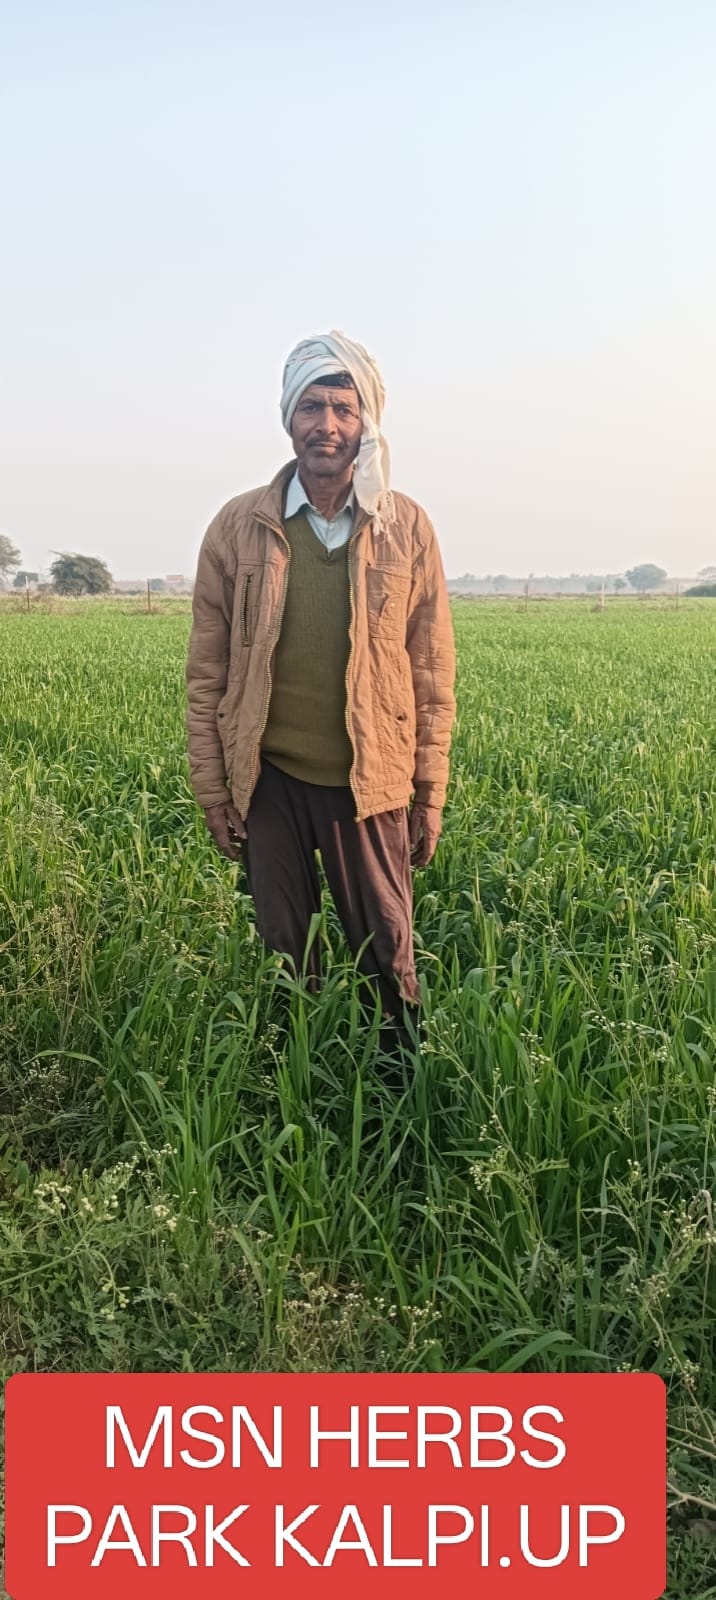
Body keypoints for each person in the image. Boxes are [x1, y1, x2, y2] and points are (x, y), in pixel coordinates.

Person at [186, 331, 456, 1058]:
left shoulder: (405, 529)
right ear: (288, 417)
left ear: (366, 420)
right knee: (285, 949)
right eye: (312, 405)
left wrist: (428, 793)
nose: (327, 425)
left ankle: (404, 1101)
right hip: (269, 778)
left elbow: (431, 674)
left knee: (387, 951)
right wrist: (216, 791)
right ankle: (295, 1086)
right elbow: (207, 675)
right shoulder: (239, 528)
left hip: (367, 784)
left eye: (343, 407)